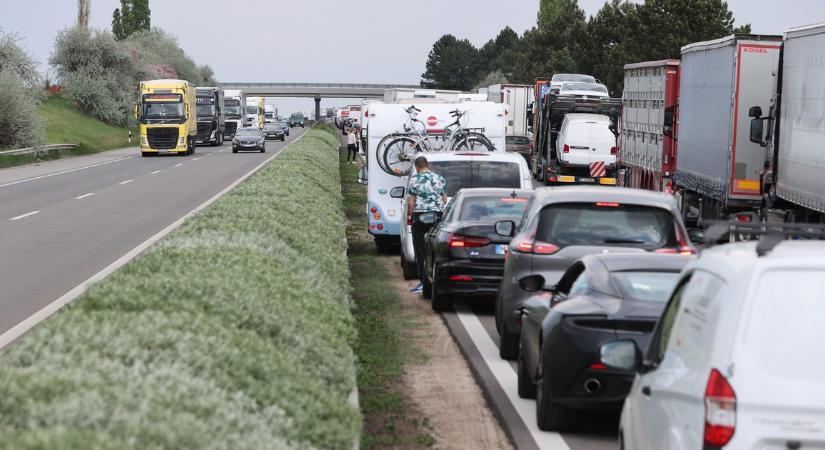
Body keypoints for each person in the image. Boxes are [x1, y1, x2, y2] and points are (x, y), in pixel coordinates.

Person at [406, 156, 447, 294]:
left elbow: (410, 203)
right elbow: (445, 199)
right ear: (427, 165)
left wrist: (410, 216)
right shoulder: (440, 178)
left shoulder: (414, 179)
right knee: (437, 248)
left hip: (421, 215)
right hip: (437, 215)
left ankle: (423, 282)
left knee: (420, 249)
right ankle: (439, 280)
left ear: (417, 168)